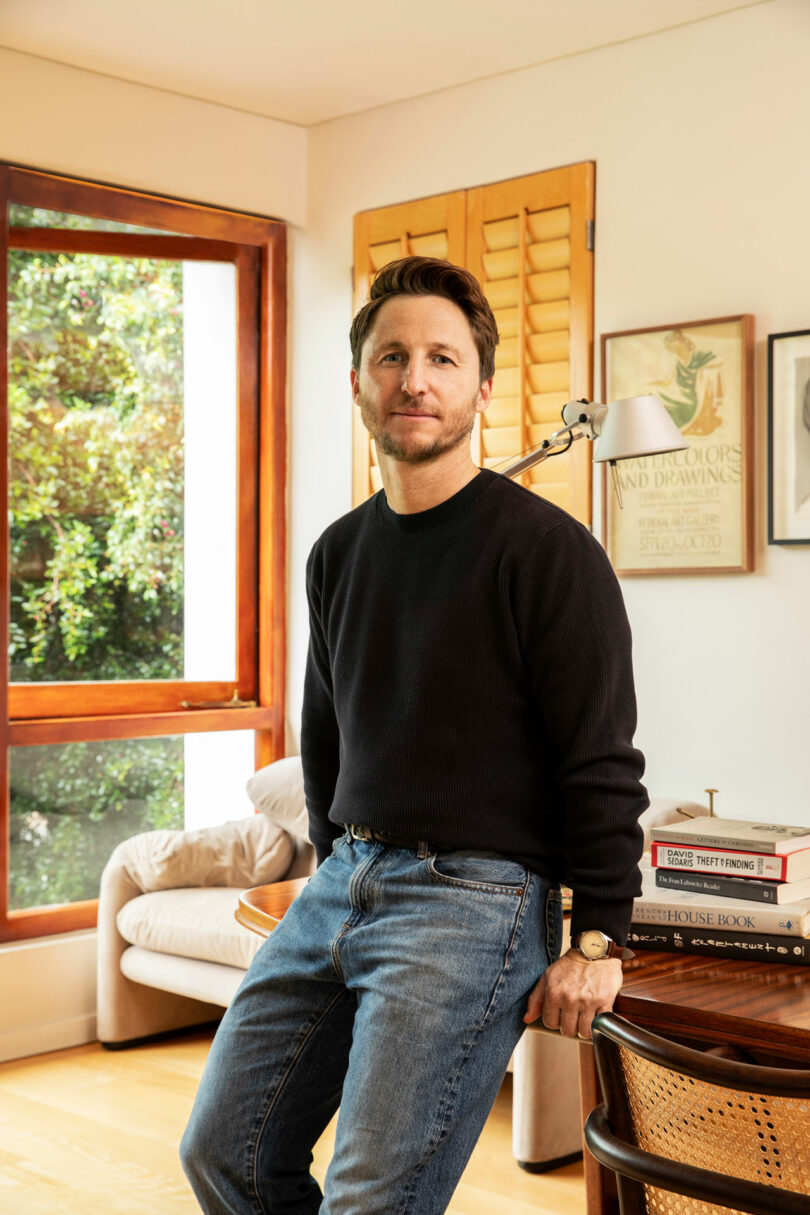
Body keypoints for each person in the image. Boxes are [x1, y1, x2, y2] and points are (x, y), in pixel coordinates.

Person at [180, 256, 648, 1215]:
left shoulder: (551, 554)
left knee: (370, 1201)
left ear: (481, 384)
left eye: (442, 356)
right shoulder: (338, 552)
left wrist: (598, 935)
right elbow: (327, 728)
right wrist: (329, 860)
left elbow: (601, 763)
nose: (415, 378)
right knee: (223, 1150)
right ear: (358, 382)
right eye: (391, 356)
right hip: (341, 883)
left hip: (475, 904)